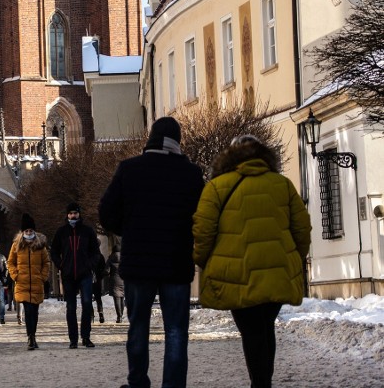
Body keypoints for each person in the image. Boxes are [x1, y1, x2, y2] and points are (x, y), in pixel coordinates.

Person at [193, 135, 312, 388]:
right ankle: (263, 381)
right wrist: (293, 259)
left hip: (236, 273)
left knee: (251, 331)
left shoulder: (216, 187)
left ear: (231, 156)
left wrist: (205, 262)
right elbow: (302, 229)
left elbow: (203, 232)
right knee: (265, 327)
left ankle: (260, 383)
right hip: (277, 271)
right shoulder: (282, 184)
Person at [99, 116, 204, 388]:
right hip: (176, 262)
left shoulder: (130, 169)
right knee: (176, 330)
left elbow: (106, 213)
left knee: (139, 327)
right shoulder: (191, 174)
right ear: (177, 141)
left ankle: (137, 382)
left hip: (138, 264)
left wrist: (130, 228)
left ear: (151, 139)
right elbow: (201, 217)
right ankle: (173, 384)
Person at [51, 201, 101, 348]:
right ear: (67, 215)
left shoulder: (87, 231)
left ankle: (86, 337)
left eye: (75, 213)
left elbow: (95, 252)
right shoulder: (61, 232)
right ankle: (73, 339)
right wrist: (61, 265)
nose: (73, 216)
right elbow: (54, 251)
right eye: (71, 213)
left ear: (79, 214)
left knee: (86, 304)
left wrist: (90, 265)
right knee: (71, 307)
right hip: (68, 275)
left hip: (84, 273)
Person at [7, 213, 50, 350]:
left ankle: (33, 335)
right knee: (28, 311)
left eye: (31, 231)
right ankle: (30, 337)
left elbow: (46, 263)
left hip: (36, 283)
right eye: (26, 231)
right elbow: (10, 262)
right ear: (23, 232)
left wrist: (42, 277)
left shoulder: (40, 246)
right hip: (23, 283)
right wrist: (16, 276)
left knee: (34, 312)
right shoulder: (17, 246)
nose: (29, 233)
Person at [105, 242, 125, 323]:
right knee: (122, 298)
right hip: (123, 280)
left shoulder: (110, 258)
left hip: (114, 280)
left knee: (116, 298)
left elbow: (106, 270)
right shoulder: (124, 257)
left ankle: (119, 316)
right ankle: (121, 314)